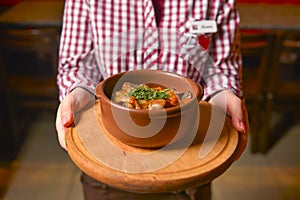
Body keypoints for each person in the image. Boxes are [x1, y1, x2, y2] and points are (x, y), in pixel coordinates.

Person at [55, 0, 249, 199]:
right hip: (109, 158)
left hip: (188, 159)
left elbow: (221, 68)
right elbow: (78, 65)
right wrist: (78, 92)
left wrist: (224, 94)